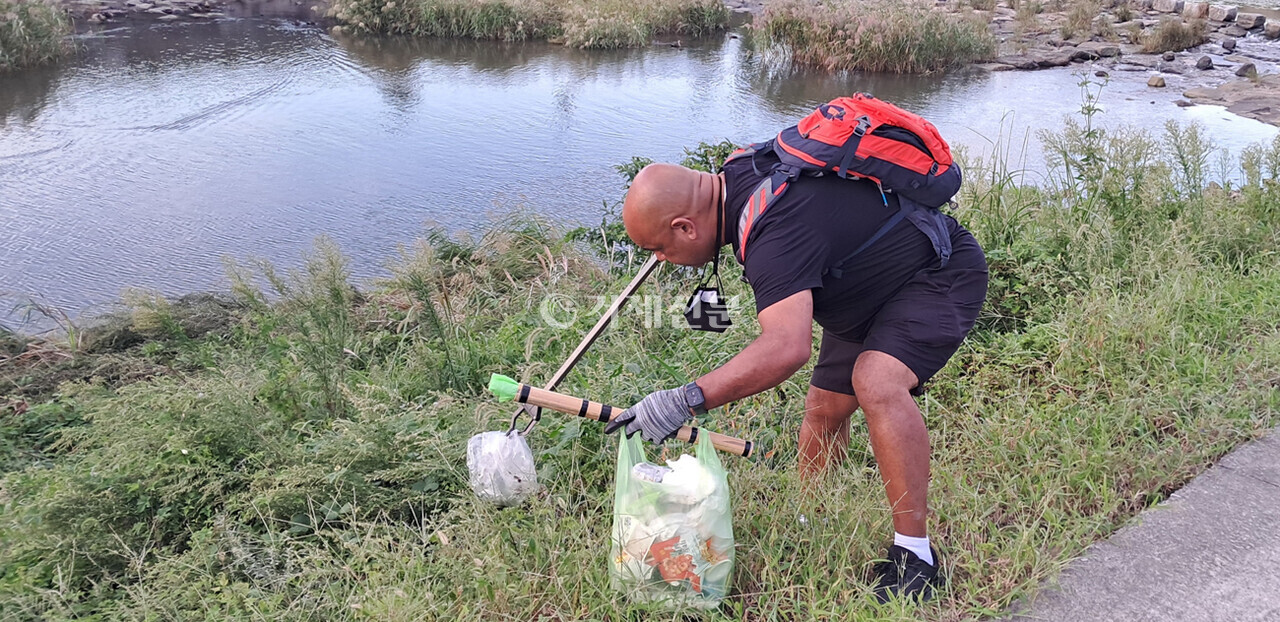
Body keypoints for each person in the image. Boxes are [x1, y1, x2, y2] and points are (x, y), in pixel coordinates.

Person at [603, 152, 988, 604]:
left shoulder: (773, 233)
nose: (663, 260)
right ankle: (812, 518)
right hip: (863, 285)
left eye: (660, 249)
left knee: (877, 381)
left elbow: (786, 349)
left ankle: (916, 558)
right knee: (824, 410)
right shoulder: (740, 172)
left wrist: (686, 399)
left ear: (686, 227)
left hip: (934, 273)